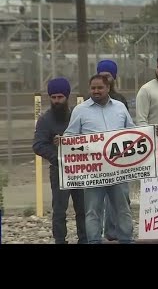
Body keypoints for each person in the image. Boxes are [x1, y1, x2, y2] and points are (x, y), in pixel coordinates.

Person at [62, 74, 136, 244]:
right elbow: (70, 135)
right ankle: (94, 241)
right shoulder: (80, 110)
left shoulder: (120, 108)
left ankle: (126, 239)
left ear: (108, 88)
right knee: (92, 211)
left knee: (122, 209)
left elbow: (132, 132)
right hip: (94, 172)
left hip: (118, 170)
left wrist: (150, 134)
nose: (96, 91)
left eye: (100, 88)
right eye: (93, 88)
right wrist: (63, 140)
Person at [32, 77, 87, 244]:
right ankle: (60, 240)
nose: (56, 101)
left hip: (81, 169)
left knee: (83, 209)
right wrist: (59, 156)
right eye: (53, 97)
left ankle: (84, 239)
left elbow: (89, 139)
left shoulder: (77, 115)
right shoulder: (45, 120)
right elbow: (38, 145)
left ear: (67, 96)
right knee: (59, 210)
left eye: (60, 97)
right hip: (59, 171)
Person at [96, 59, 131, 242]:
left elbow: (129, 129)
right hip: (98, 160)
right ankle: (105, 232)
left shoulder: (121, 101)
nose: (105, 80)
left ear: (113, 78)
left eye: (107, 76)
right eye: (102, 76)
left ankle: (118, 232)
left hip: (119, 158)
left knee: (120, 198)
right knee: (98, 200)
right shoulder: (90, 102)